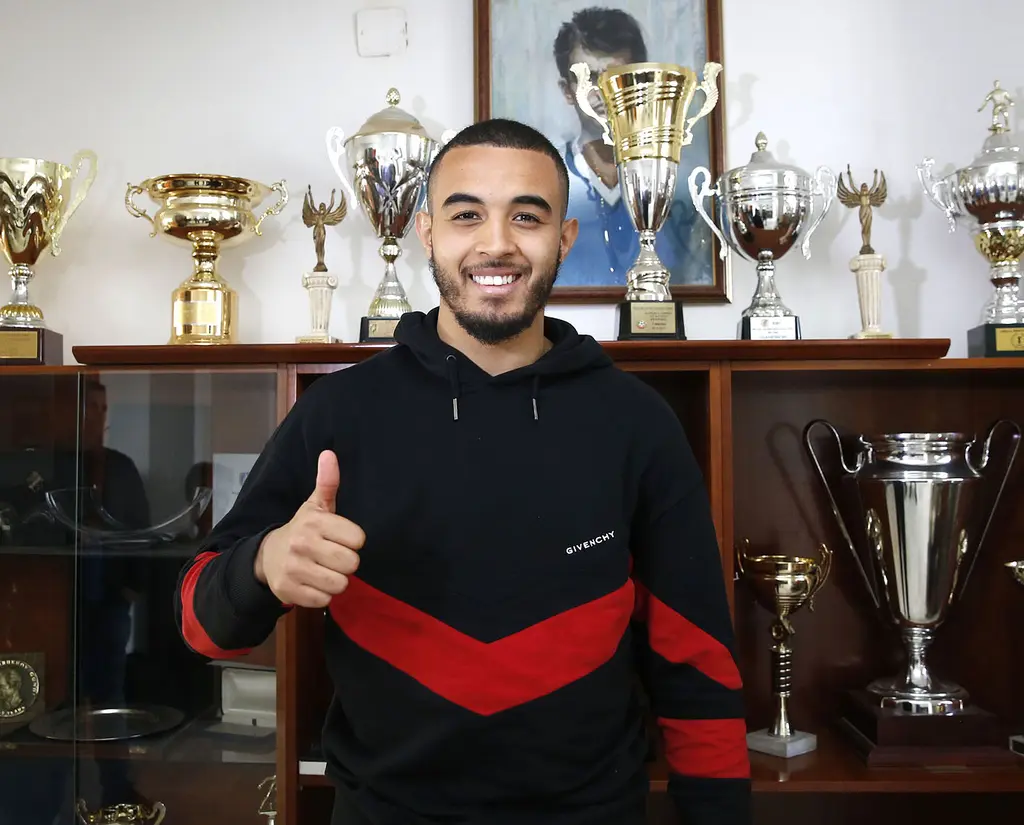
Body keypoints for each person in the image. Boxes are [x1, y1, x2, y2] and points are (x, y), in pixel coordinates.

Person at [174, 117, 751, 825]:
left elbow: (697, 660)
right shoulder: (339, 412)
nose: (496, 242)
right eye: (466, 214)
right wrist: (264, 563)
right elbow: (202, 626)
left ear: (565, 238)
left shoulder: (637, 423)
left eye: (527, 216)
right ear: (426, 232)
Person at [551, 6, 714, 287]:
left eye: (617, 77)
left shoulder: (681, 181)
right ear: (567, 91)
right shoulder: (545, 180)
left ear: (643, 83)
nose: (603, 91)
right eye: (589, 79)